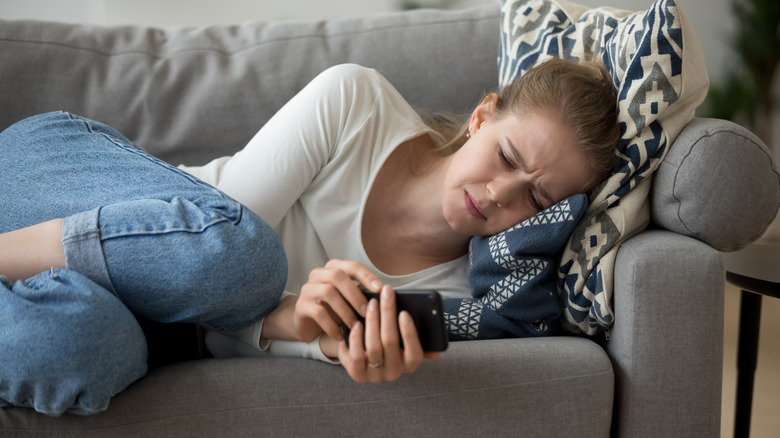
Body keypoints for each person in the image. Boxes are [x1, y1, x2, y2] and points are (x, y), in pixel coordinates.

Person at [0, 58, 618, 416]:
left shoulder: (456, 301)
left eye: (538, 200)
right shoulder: (357, 104)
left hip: (141, 324)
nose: (503, 194)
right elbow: (209, 244)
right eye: (507, 156)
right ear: (482, 116)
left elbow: (202, 326)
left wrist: (323, 343)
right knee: (250, 257)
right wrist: (293, 312)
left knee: (79, 348)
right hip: (69, 186)